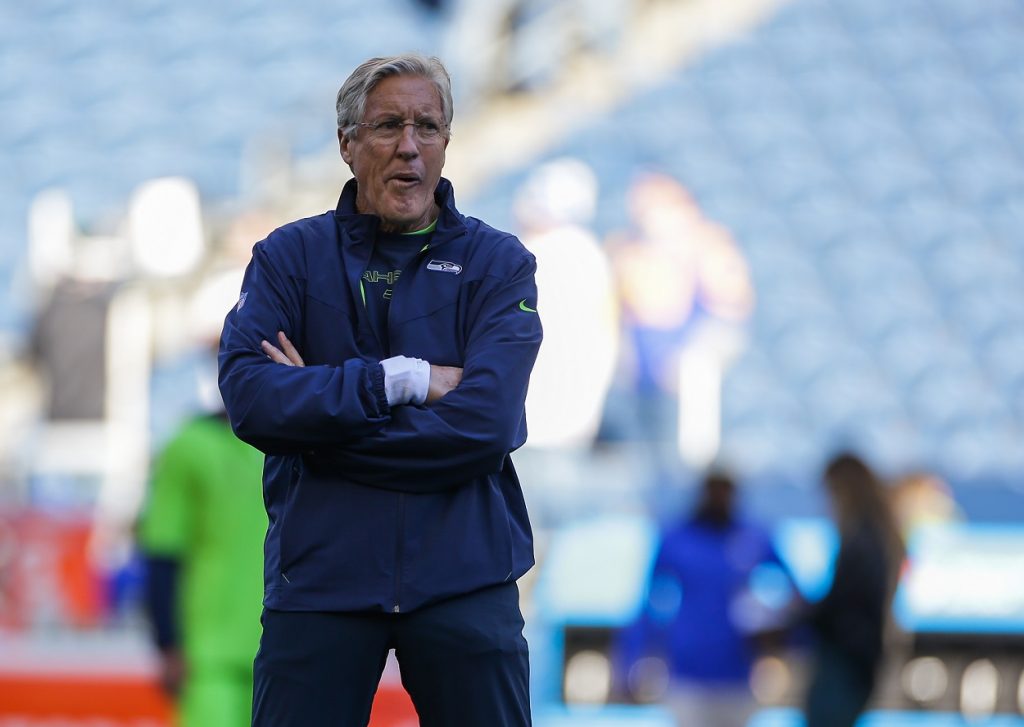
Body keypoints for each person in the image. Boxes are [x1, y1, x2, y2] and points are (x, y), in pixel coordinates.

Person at [218, 54, 542, 727]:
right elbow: (250, 398)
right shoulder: (288, 257)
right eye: (388, 125)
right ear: (347, 144)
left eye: (428, 126)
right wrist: (404, 380)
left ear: (447, 142)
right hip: (323, 579)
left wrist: (322, 430)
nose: (409, 146)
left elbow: (484, 427)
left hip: (463, 579)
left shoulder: (498, 263)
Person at [137, 374, 267, 727]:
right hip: (210, 660)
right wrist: (169, 643)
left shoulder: (302, 446)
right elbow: (162, 552)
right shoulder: (189, 447)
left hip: (287, 652)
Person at [616, 471, 794, 727]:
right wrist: (632, 657)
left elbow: (792, 589)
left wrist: (777, 630)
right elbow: (649, 600)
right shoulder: (677, 539)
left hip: (738, 673)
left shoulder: (752, 537)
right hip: (688, 673)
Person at [802, 453, 904, 727]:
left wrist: (801, 616)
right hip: (860, 659)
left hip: (846, 659)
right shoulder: (878, 534)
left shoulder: (863, 538)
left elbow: (846, 603)